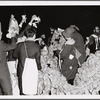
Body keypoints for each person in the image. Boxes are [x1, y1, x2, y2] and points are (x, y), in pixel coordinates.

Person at [13, 27, 41, 95]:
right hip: (32, 72)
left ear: (26, 35)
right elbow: (38, 61)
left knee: (22, 90)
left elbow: (14, 56)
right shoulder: (37, 46)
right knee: (31, 89)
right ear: (34, 35)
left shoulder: (19, 45)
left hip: (21, 71)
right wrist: (40, 68)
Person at [0, 22, 17, 95]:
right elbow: (13, 46)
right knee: (8, 91)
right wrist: (13, 36)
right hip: (2, 72)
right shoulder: (1, 45)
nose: (1, 34)